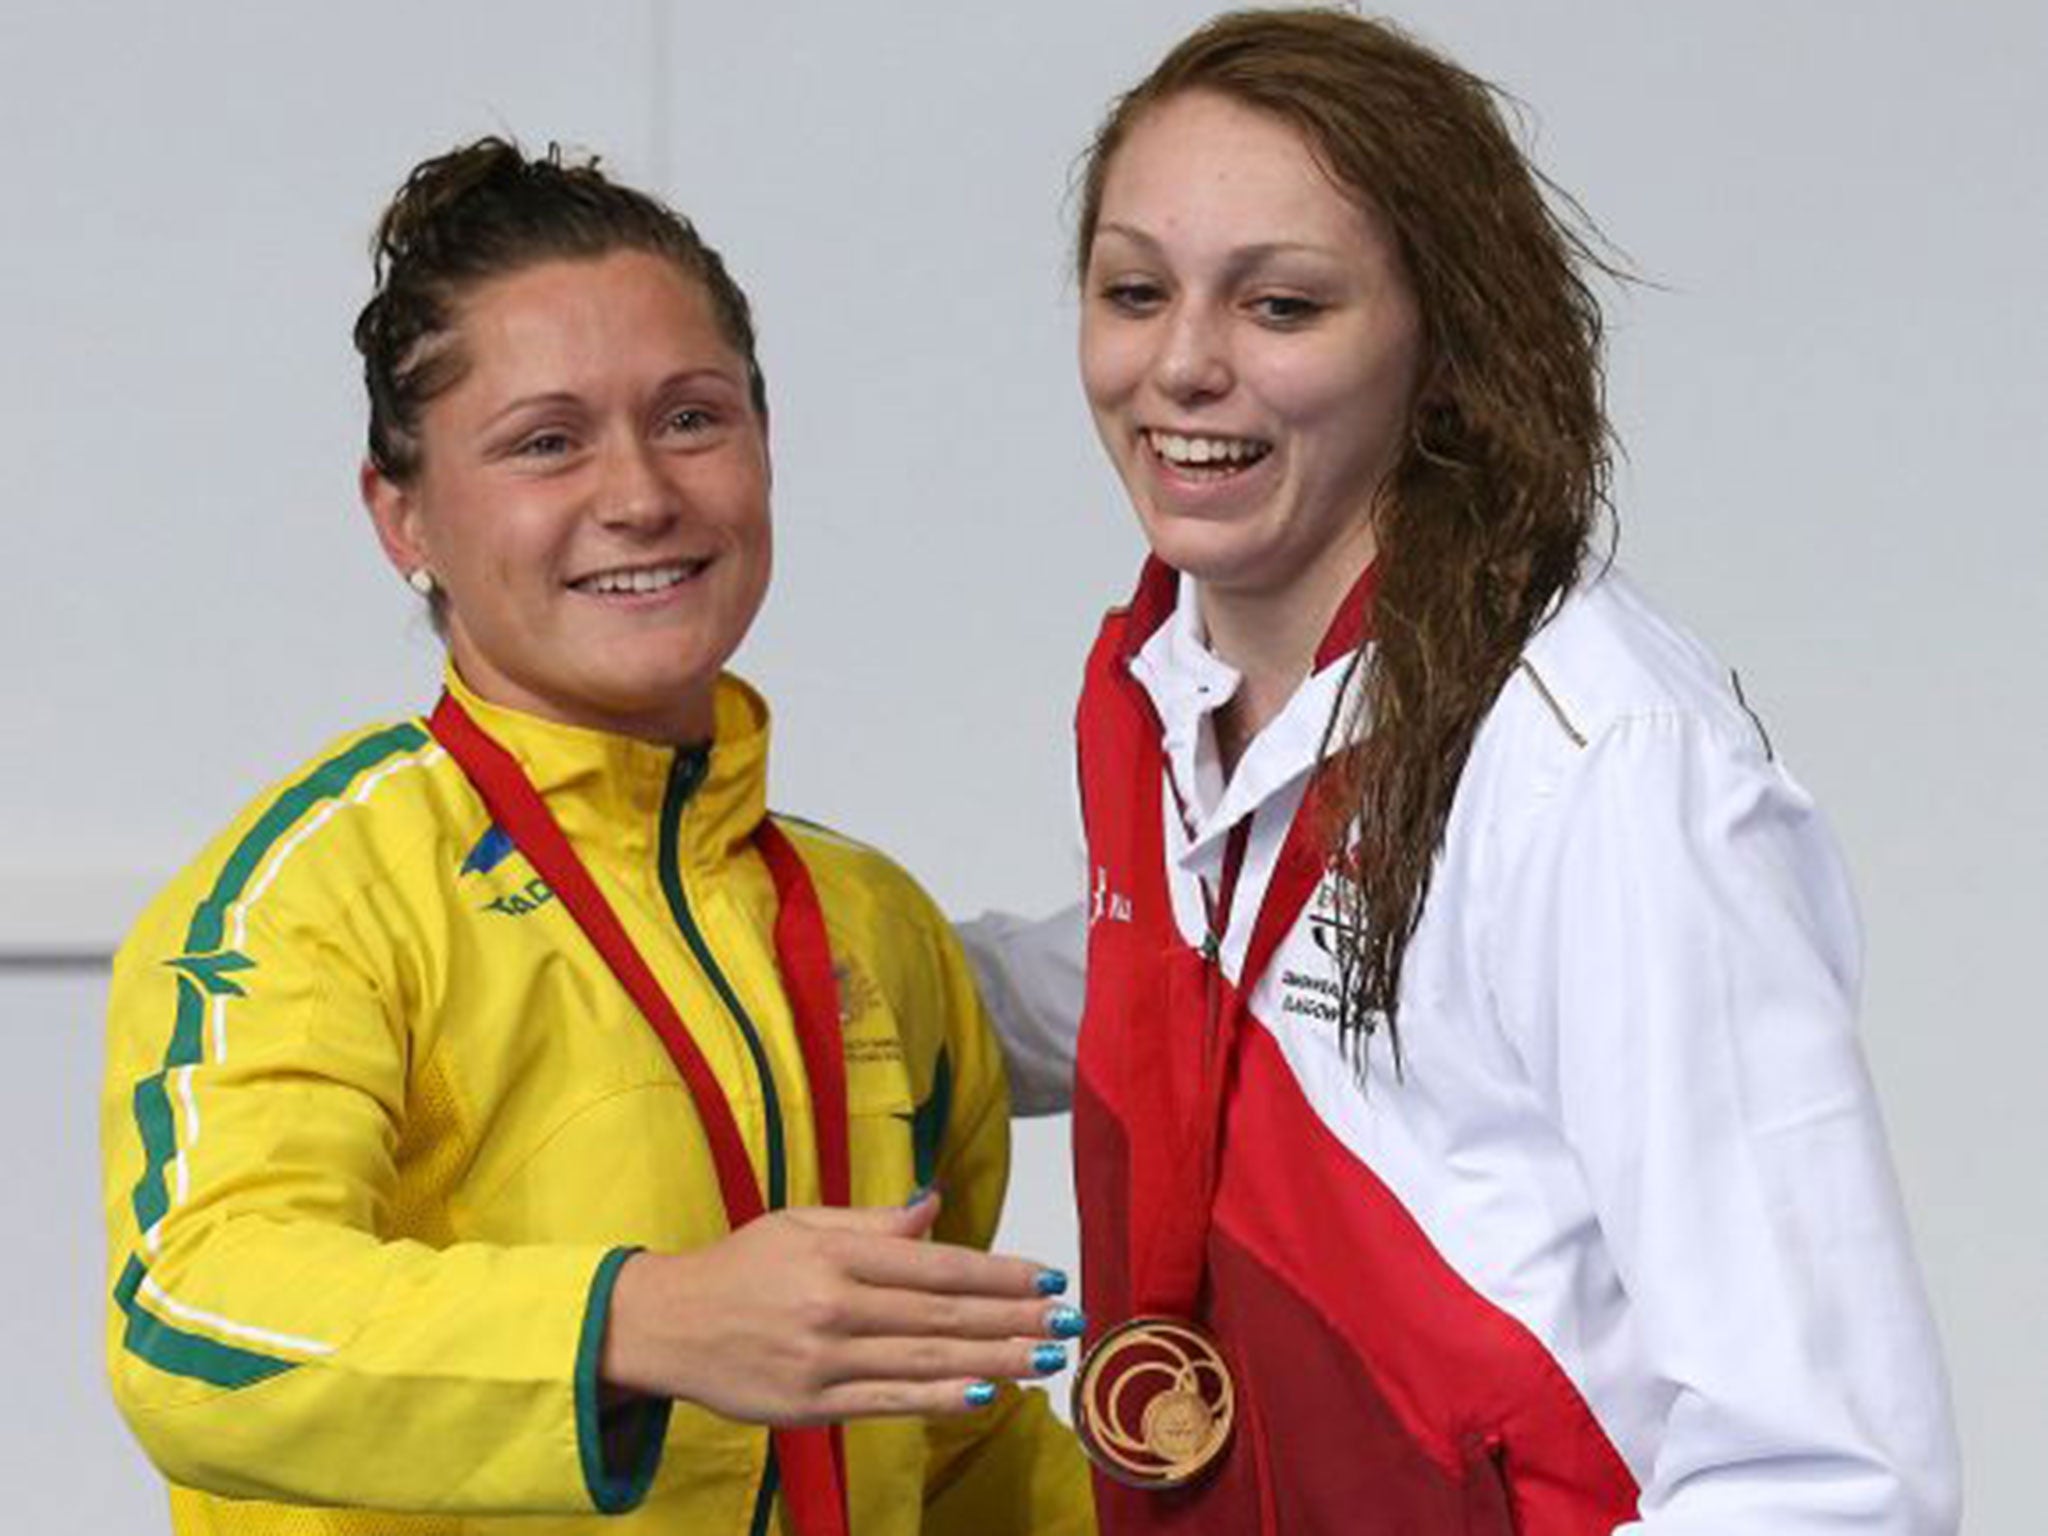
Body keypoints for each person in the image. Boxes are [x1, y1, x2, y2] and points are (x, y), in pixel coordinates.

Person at [960, 10, 1960, 1533]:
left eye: (1282, 305)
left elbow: (1830, 1474)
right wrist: (847, 968)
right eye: (1134, 290)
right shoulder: (1167, 682)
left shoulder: (1600, 762)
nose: (1181, 364)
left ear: (1440, 342)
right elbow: (1187, 985)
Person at [100, 139, 1094, 1536]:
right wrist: (641, 1321)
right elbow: (195, 1330)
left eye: (692, 419)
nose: (639, 494)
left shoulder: (877, 925)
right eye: (546, 441)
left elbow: (941, 1439)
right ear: (403, 517)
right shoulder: (316, 895)